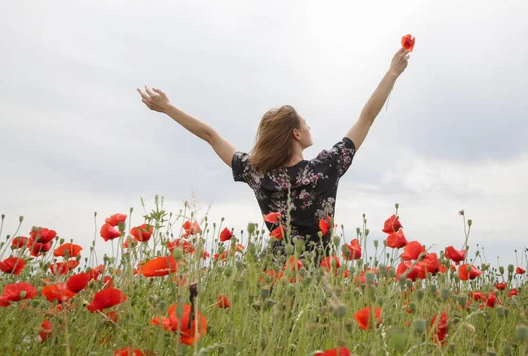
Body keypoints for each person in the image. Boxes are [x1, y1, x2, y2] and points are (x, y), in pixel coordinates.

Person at [137, 47, 410, 263]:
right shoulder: (326, 168)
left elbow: (210, 136)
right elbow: (367, 117)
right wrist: (392, 73)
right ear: (296, 134)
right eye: (304, 123)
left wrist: (168, 109)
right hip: (317, 281)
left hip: (275, 277)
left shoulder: (258, 174)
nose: (309, 126)